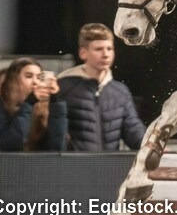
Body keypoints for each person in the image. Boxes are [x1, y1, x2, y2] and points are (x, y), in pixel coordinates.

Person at [58, 23, 146, 151]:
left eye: (110, 49)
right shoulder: (65, 87)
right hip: (75, 166)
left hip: (109, 166)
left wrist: (150, 145)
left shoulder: (120, 91)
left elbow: (133, 131)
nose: (106, 54)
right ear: (83, 53)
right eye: (98, 49)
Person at [0, 57, 68, 151]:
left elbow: (57, 146)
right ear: (14, 81)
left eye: (39, 77)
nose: (35, 82)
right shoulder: (0, 104)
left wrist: (55, 101)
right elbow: (11, 144)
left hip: (40, 164)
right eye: (29, 76)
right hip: (9, 163)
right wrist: (29, 103)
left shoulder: (45, 107)